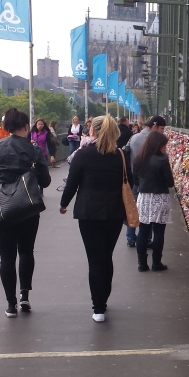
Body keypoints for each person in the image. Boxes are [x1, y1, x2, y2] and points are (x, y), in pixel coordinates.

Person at [0, 108, 51, 318]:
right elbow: (45, 181)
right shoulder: (34, 150)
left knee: (6, 256)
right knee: (26, 251)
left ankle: (10, 304)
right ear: (26, 127)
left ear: (6, 127)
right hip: (27, 207)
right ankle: (25, 294)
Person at [60, 115, 132, 322]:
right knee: (106, 256)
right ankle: (103, 299)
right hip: (114, 212)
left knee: (95, 259)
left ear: (93, 130)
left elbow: (72, 183)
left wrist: (64, 204)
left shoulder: (83, 155)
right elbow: (130, 180)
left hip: (89, 212)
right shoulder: (120, 155)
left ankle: (98, 307)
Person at [131, 130, 175, 273]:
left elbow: (135, 180)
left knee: (143, 231)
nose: (165, 148)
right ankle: (157, 263)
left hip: (143, 198)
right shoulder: (162, 159)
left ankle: (141, 264)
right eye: (163, 146)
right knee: (159, 232)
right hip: (160, 197)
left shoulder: (138, 158)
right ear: (157, 145)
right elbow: (169, 183)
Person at [124, 116, 165, 247]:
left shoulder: (133, 137)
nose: (163, 132)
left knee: (133, 208)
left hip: (134, 178)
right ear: (154, 126)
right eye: (162, 129)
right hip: (150, 182)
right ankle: (146, 240)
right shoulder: (154, 142)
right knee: (147, 213)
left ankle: (130, 237)